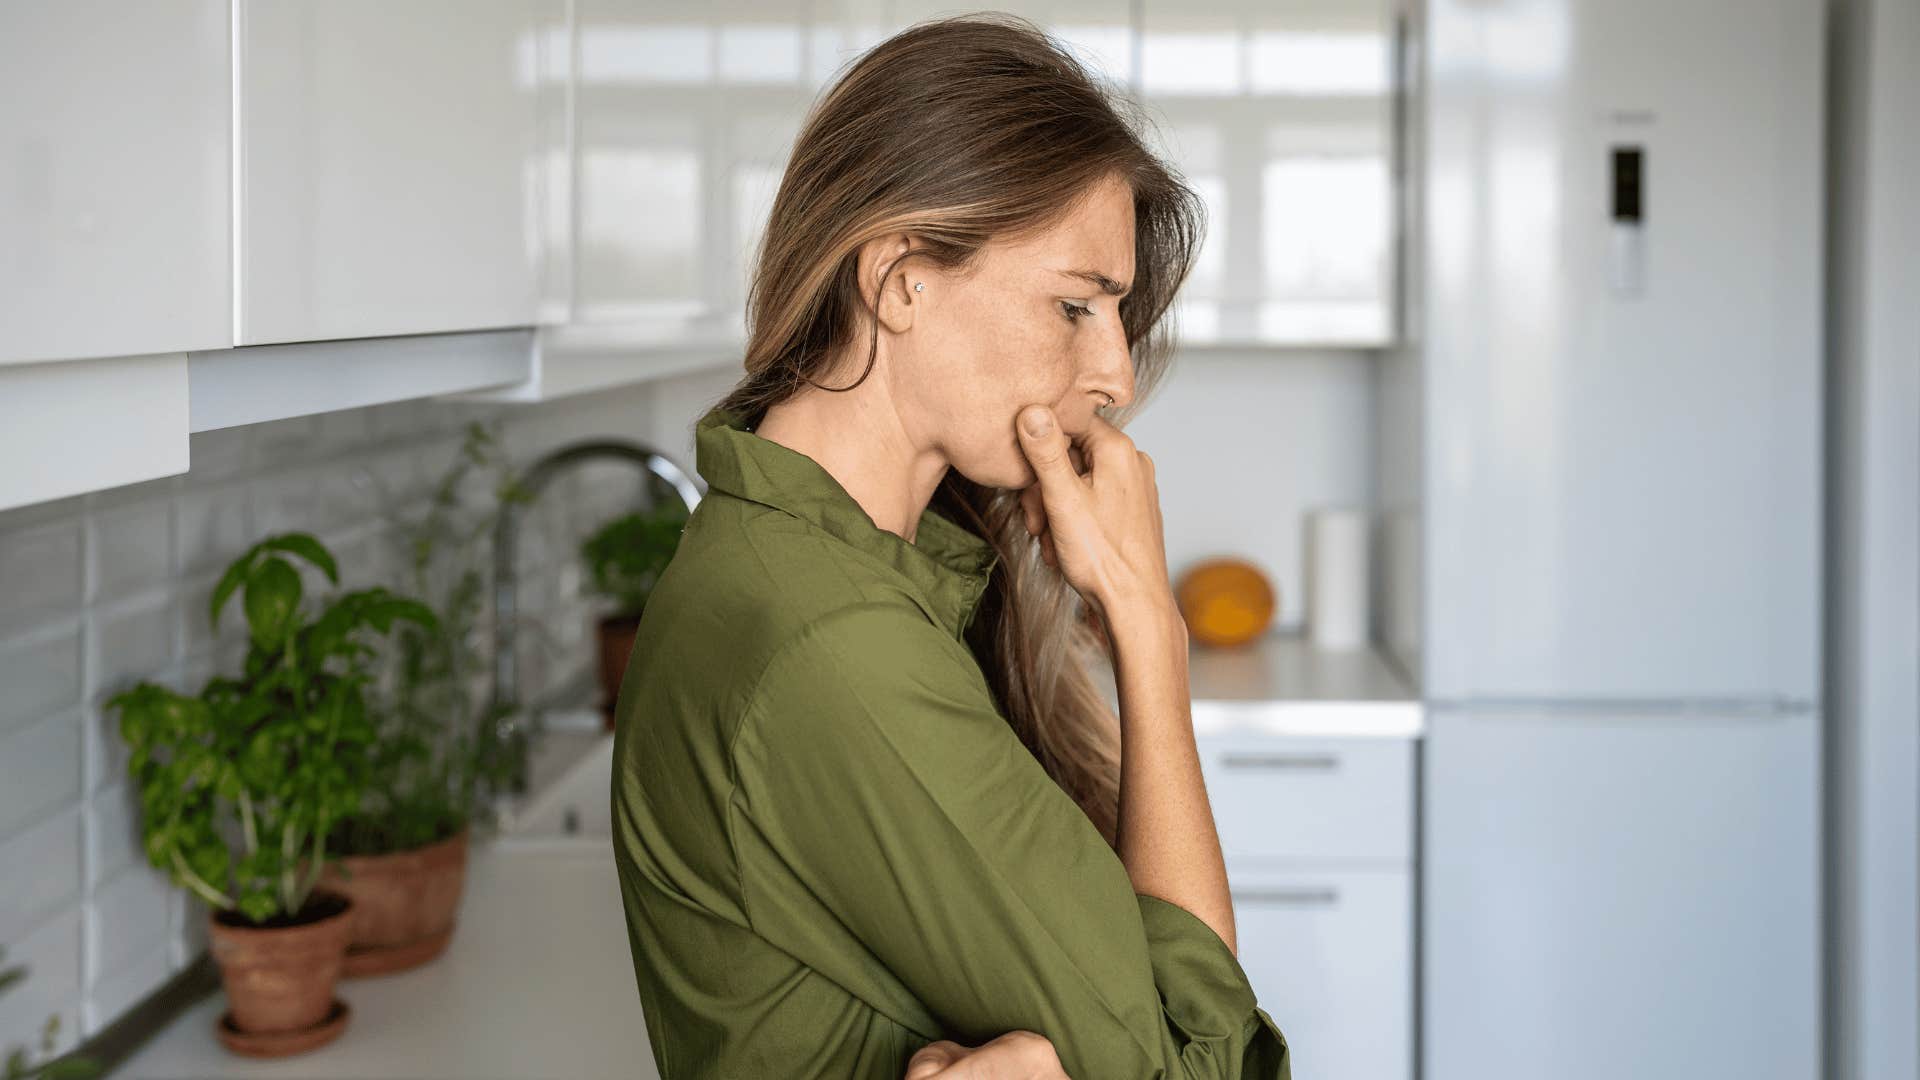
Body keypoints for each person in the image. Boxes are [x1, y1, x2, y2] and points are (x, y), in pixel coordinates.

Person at [609, 12, 1292, 1079]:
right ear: (899, 279)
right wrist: (1147, 625)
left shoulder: (817, 566)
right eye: (1075, 306)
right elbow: (1193, 1063)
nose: (1114, 375)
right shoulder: (834, 645)